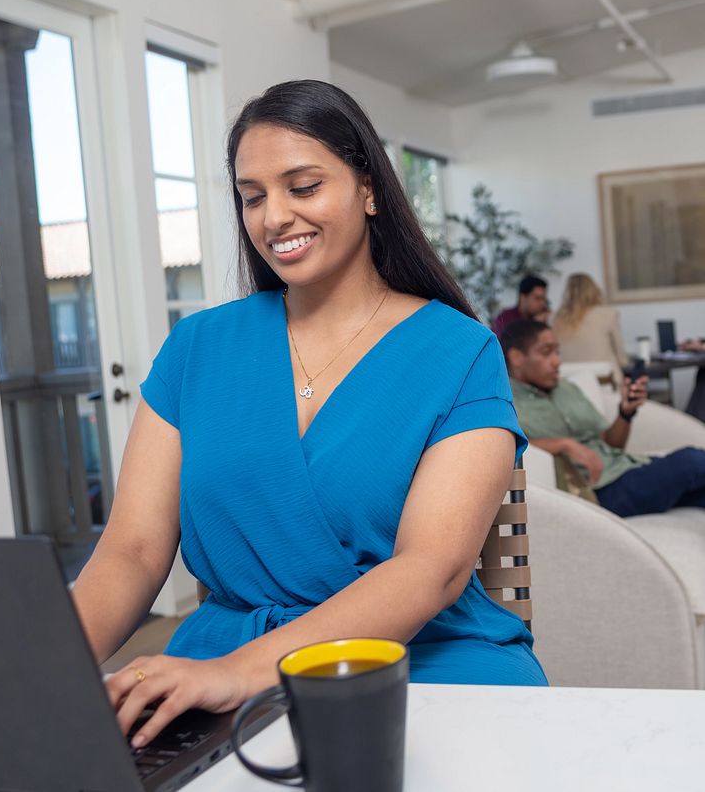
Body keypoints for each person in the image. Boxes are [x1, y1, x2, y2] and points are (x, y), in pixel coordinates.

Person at [72, 79, 547, 749]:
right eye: (252, 196)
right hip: (221, 657)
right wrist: (37, 673)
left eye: (302, 187)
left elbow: (431, 568)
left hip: (417, 655)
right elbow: (133, 551)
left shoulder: (459, 351)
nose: (274, 218)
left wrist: (239, 673)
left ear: (368, 188)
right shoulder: (196, 348)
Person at [501, 319, 705, 517]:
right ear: (516, 357)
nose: (557, 361)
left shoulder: (567, 389)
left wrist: (625, 412)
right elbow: (504, 451)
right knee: (690, 461)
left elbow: (611, 443)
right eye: (546, 352)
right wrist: (563, 444)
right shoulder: (505, 403)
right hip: (597, 490)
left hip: (627, 468)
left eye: (557, 352)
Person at [552, 272, 629, 386]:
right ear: (594, 290)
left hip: (569, 384)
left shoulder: (555, 318)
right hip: (604, 383)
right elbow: (621, 357)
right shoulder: (609, 314)